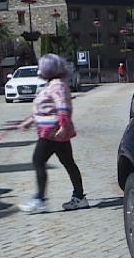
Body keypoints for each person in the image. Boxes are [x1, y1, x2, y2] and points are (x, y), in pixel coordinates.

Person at [18, 54, 88, 212]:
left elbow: (62, 106)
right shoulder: (52, 85)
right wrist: (29, 121)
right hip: (55, 132)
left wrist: (63, 125)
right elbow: (44, 109)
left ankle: (40, 199)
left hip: (52, 132)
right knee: (69, 163)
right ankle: (79, 197)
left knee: (38, 161)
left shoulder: (57, 85)